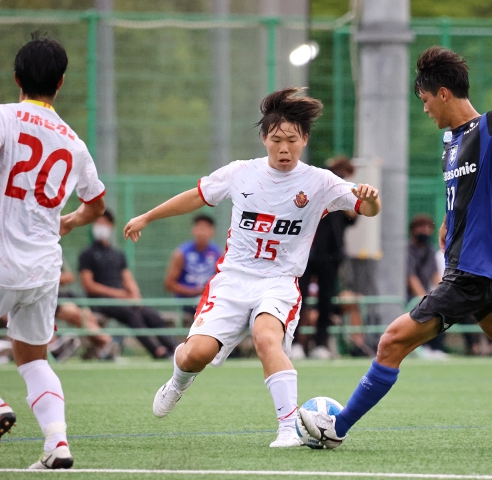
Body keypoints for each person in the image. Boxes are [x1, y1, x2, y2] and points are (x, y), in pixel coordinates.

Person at [298, 46, 492, 446]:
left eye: (426, 100)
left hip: (470, 270)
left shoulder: (488, 131)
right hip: (468, 267)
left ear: (443, 93)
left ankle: (336, 428)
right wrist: (449, 220)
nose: (425, 109)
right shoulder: (450, 142)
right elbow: (463, 194)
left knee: (391, 341)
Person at [123, 87, 381, 448]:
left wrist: (370, 201)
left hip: (278, 282)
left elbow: (366, 209)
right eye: (276, 139)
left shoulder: (320, 182)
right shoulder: (240, 174)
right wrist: (147, 217)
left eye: (292, 140)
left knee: (266, 337)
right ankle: (178, 381)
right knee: (196, 354)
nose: (284, 148)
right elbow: (195, 195)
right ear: (264, 138)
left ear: (305, 139)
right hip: (232, 280)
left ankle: (287, 430)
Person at [0, 33, 105, 468]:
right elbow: (97, 205)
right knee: (33, 358)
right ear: (61, 83)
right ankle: (57, 445)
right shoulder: (74, 142)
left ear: (15, 78)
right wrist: (68, 221)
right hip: (43, 268)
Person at [78, 210, 177, 359]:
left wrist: (135, 296)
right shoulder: (86, 254)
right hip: (100, 301)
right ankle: (157, 351)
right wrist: (120, 295)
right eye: (98, 222)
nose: (101, 226)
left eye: (104, 223)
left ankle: (174, 348)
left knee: (150, 314)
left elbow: (128, 278)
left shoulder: (118, 254)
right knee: (132, 315)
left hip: (123, 301)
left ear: (111, 226)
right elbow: (89, 286)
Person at [296, 156, 357, 359]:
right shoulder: (320, 183)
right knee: (299, 298)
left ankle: (320, 344)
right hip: (307, 252)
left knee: (326, 301)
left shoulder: (342, 194)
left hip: (331, 256)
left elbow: (351, 218)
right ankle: (294, 343)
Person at [406, 214, 448, 360]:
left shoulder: (429, 250)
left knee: (446, 308)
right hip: (409, 297)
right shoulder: (407, 250)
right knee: (427, 310)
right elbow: (411, 278)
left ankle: (436, 348)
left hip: (424, 295)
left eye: (428, 228)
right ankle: (423, 348)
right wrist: (425, 298)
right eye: (421, 227)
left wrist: (445, 293)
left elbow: (436, 276)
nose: (424, 231)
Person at [164, 214, 221, 320]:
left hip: (209, 299)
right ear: (193, 230)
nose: (202, 233)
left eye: (206, 229)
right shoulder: (181, 253)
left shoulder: (217, 253)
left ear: (212, 231)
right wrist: (195, 291)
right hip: (187, 301)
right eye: (199, 228)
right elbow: (169, 284)